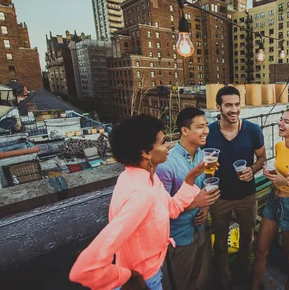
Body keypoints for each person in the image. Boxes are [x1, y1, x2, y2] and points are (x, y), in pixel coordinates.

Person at [69, 114, 208, 290]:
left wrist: (190, 179)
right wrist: (127, 276)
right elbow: (84, 269)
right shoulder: (141, 194)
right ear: (146, 152)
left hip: (154, 271)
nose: (168, 146)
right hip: (145, 281)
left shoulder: (144, 177)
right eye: (163, 141)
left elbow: (171, 209)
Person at [206, 86, 267, 289]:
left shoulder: (252, 130)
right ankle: (222, 281)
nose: (234, 110)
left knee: (247, 240)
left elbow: (262, 158)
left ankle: (243, 275)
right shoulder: (209, 132)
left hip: (246, 197)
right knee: (221, 244)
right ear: (219, 107)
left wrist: (252, 169)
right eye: (228, 105)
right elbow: (198, 160)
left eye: (237, 104)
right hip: (219, 197)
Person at [156, 107, 220, 290]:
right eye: (200, 127)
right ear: (185, 131)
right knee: (180, 284)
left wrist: (205, 206)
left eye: (206, 126)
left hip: (200, 232)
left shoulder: (202, 156)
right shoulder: (166, 164)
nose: (206, 130)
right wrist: (196, 203)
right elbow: (161, 212)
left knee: (196, 280)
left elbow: (201, 190)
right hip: (179, 239)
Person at [251, 108, 289, 290]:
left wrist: (284, 180)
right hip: (272, 200)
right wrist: (271, 174)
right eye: (281, 119)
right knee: (261, 250)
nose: (280, 123)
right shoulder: (279, 146)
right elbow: (281, 171)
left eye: (286, 121)